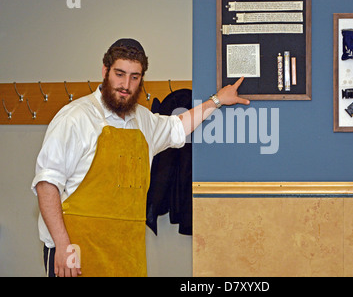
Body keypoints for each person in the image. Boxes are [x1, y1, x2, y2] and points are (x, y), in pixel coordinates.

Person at [31, 38, 249, 277]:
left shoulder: (144, 120)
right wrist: (63, 246)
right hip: (77, 254)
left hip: (127, 255)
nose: (126, 84)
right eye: (120, 74)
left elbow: (178, 126)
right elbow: (47, 184)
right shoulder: (75, 118)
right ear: (105, 71)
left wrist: (217, 101)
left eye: (135, 77)